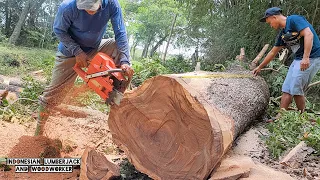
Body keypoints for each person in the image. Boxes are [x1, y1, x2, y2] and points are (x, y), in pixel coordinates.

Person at [35, 0, 134, 136]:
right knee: (55, 92)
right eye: (85, 7)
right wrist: (77, 51)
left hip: (95, 47)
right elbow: (59, 30)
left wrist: (125, 61)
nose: (89, 11)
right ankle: (38, 130)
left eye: (92, 7)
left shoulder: (112, 4)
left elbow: (121, 32)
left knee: (117, 46)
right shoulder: (68, 7)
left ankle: (116, 93)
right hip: (69, 52)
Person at [253, 7, 320, 118]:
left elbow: (309, 34)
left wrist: (306, 58)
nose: (270, 25)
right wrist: (260, 67)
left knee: (296, 88)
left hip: (311, 57)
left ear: (274, 17)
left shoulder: (294, 20)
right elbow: (272, 52)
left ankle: (301, 118)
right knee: (287, 88)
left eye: (269, 22)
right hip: (298, 59)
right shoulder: (283, 34)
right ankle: (280, 116)